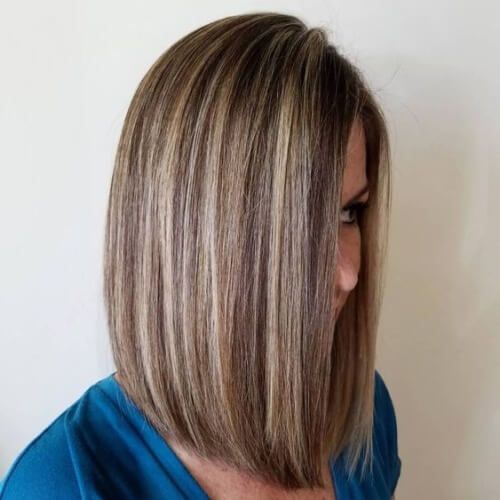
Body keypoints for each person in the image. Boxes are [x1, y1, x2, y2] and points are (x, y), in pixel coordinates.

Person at [0, 12, 401, 499]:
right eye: (296, 232)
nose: (349, 274)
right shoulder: (60, 486)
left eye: (347, 213)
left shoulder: (362, 414)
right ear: (194, 247)